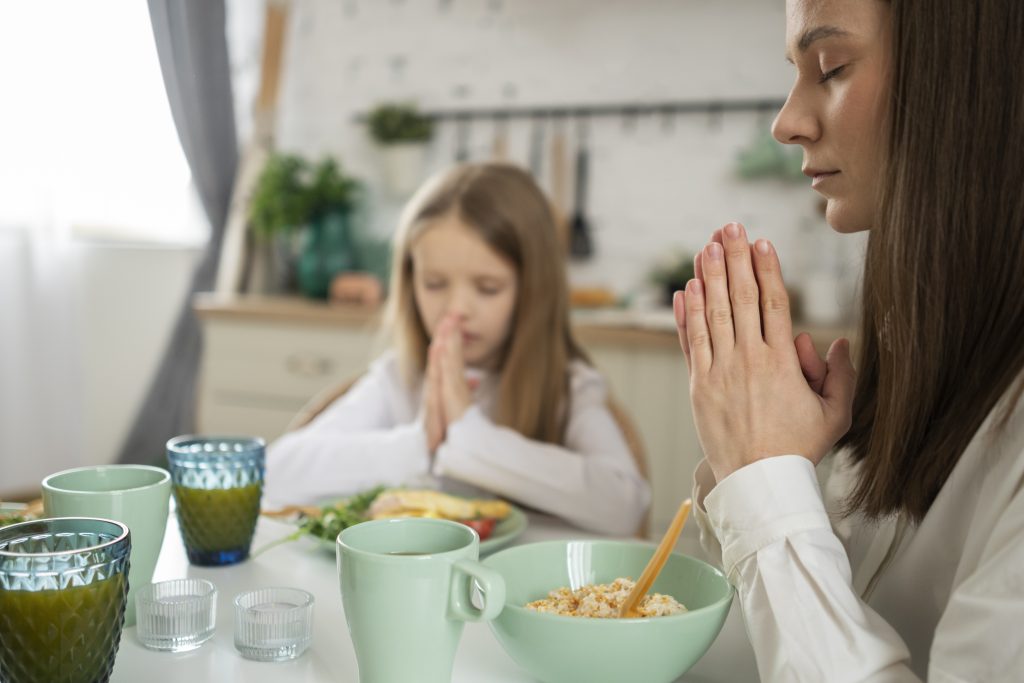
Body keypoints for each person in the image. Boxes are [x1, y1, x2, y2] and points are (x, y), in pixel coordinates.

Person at [674, 0, 1024, 680]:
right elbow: (838, 616)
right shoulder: (924, 343)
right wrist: (781, 468)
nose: (786, 123)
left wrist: (762, 479)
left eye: (830, 68)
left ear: (972, 82)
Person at [265, 162, 650, 536]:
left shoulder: (568, 386)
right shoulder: (400, 378)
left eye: (487, 288)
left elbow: (625, 507)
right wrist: (420, 444)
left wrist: (466, 433)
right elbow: (275, 474)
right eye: (434, 283)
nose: (456, 309)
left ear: (533, 291)